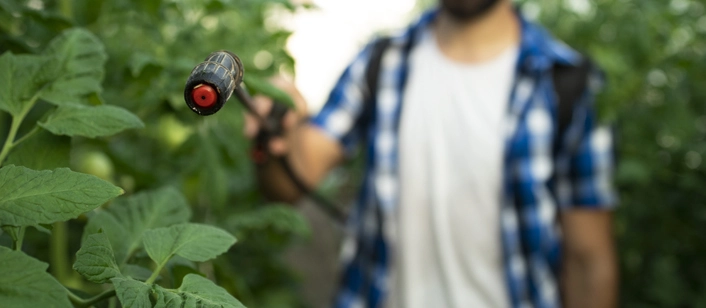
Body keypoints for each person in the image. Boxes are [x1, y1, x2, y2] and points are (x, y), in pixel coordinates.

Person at [245, 0, 618, 307]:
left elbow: (588, 260)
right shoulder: (381, 62)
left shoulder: (567, 82)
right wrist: (276, 134)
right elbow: (289, 184)